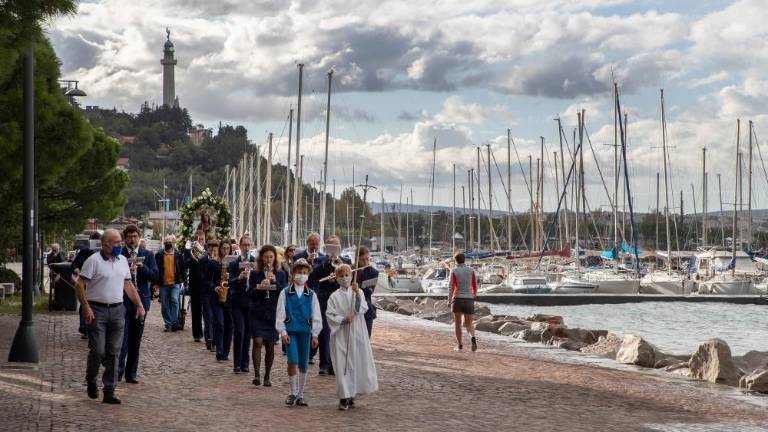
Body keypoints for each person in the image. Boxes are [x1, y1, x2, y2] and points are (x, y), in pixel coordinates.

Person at [74, 229, 146, 404]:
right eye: (116, 243)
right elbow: (79, 284)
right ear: (105, 244)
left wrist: (139, 305)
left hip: (117, 310)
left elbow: (128, 285)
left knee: (114, 351)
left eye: (120, 242)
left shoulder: (122, 261)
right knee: (98, 350)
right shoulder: (93, 261)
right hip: (97, 310)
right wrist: (86, 308)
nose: (120, 245)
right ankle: (91, 379)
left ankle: (109, 389)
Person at [325, 264, 378, 410]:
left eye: (347, 274)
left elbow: (361, 309)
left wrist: (357, 295)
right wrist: (342, 319)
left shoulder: (357, 291)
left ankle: (352, 393)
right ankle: (343, 396)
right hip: (341, 333)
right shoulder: (334, 296)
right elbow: (330, 314)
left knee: (355, 362)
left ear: (351, 275)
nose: (344, 278)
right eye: (341, 275)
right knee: (343, 364)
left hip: (357, 331)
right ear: (336, 278)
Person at [275, 259, 321, 407]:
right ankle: (292, 392)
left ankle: (301, 394)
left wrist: (315, 334)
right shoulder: (285, 292)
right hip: (291, 331)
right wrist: (282, 332)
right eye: (299, 272)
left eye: (305, 273)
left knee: (303, 363)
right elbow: (280, 314)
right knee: (292, 360)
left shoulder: (311, 294)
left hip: (305, 332)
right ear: (293, 273)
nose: (302, 275)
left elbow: (316, 315)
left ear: (308, 274)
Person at [118, 225, 158, 384]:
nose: (132, 239)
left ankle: (131, 373)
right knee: (122, 340)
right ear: (125, 238)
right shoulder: (120, 254)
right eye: (129, 237)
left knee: (136, 340)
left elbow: (155, 276)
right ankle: (118, 371)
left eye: (135, 236)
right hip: (123, 301)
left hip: (142, 300)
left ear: (139, 237)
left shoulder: (147, 254)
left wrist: (143, 268)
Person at [309, 235, 351, 375]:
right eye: (331, 246)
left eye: (336, 246)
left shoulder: (346, 261)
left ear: (340, 247)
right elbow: (313, 276)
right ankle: (324, 365)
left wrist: (339, 278)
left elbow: (348, 279)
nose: (334, 249)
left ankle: (335, 365)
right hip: (325, 300)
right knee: (325, 332)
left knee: (339, 333)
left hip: (341, 301)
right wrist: (327, 263)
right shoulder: (320, 260)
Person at [248, 244, 287, 386]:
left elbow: (284, 293)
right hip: (258, 312)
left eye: (271, 257)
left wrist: (275, 282)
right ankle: (257, 374)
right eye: (266, 257)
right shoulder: (254, 273)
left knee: (270, 344)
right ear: (261, 258)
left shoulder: (281, 274)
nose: (268, 260)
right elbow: (250, 294)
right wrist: (260, 286)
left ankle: (267, 376)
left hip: (272, 312)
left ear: (275, 258)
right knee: (257, 341)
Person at [228, 235, 255, 373]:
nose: (246, 247)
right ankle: (237, 363)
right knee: (239, 331)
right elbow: (229, 282)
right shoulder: (233, 263)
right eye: (244, 245)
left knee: (248, 333)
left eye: (248, 245)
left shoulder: (255, 263)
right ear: (240, 246)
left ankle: (245, 362)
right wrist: (239, 278)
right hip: (237, 301)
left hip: (250, 302)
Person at [205, 239, 233, 361]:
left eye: (228, 248)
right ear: (220, 249)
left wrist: (231, 276)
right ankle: (219, 350)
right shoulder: (213, 263)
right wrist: (214, 287)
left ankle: (226, 352)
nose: (225, 251)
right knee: (220, 324)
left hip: (229, 298)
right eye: (223, 248)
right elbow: (206, 280)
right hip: (216, 297)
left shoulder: (233, 263)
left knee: (229, 326)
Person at [72, 232, 102, 339]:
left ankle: (95, 328)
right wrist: (76, 270)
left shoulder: (104, 253)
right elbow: (74, 264)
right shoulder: (84, 252)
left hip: (98, 283)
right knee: (84, 303)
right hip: (85, 281)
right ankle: (84, 328)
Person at [154, 235, 185, 332]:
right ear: (164, 243)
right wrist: (156, 283)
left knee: (175, 300)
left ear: (173, 243)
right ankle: (168, 323)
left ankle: (174, 322)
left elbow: (182, 268)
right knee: (164, 304)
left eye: (170, 241)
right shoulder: (159, 255)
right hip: (163, 283)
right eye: (166, 241)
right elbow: (157, 269)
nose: (168, 243)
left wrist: (184, 281)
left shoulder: (178, 254)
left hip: (175, 282)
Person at [448, 253, 478, 352]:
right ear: (464, 260)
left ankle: (460, 345)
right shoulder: (471, 270)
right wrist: (473, 295)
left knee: (458, 323)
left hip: (457, 299)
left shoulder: (454, 271)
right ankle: (472, 338)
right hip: (469, 299)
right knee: (469, 323)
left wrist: (449, 300)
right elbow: (474, 285)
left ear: (455, 260)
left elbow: (451, 287)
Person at [185, 229, 208, 344]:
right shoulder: (190, 250)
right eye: (199, 239)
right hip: (195, 285)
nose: (201, 241)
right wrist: (191, 256)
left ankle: (208, 333)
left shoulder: (208, 250)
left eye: (202, 239)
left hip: (206, 285)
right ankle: (197, 334)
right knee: (196, 311)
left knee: (207, 311)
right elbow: (184, 264)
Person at [354, 246, 380, 337]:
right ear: (357, 259)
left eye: (367, 259)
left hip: (367, 310)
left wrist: (358, 285)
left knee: (366, 340)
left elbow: (369, 291)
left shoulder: (373, 272)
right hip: (351, 310)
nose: (366, 262)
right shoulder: (351, 270)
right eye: (362, 260)